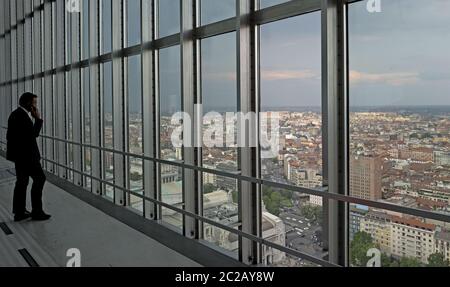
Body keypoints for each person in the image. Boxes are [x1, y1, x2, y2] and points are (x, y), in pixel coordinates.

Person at [6, 92, 51, 222]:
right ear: (28, 104)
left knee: (22, 182)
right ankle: (37, 211)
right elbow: (33, 135)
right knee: (40, 179)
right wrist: (38, 119)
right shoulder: (21, 117)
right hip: (27, 157)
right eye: (34, 103)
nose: (36, 106)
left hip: (20, 156)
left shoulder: (16, 114)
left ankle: (19, 212)